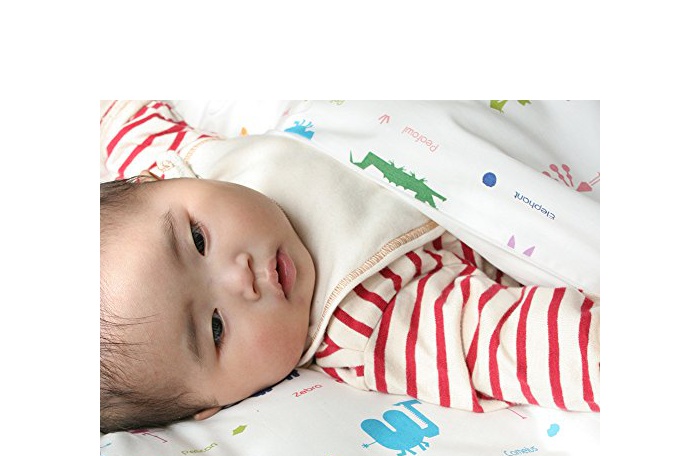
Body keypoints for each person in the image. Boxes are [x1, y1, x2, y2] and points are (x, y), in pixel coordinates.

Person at [100, 100, 599, 434]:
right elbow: (514, 344)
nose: (239, 278)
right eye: (214, 328)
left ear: (152, 180)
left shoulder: (185, 165)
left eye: (197, 239)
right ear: (214, 404)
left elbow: (121, 120)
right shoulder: (368, 320)